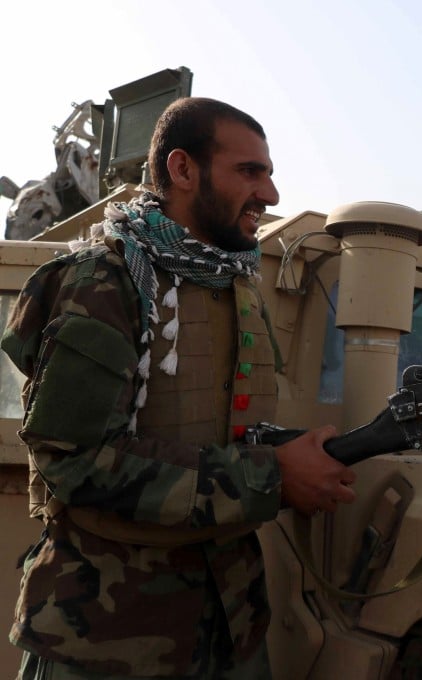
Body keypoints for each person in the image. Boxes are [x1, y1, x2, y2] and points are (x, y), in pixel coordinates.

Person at [1, 97, 357, 679]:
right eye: (249, 172)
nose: (269, 195)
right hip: (109, 641)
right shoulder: (105, 282)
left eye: (268, 173)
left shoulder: (234, 285)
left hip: (230, 631)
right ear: (183, 170)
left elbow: (220, 429)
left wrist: (308, 452)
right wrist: (272, 476)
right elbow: (77, 460)